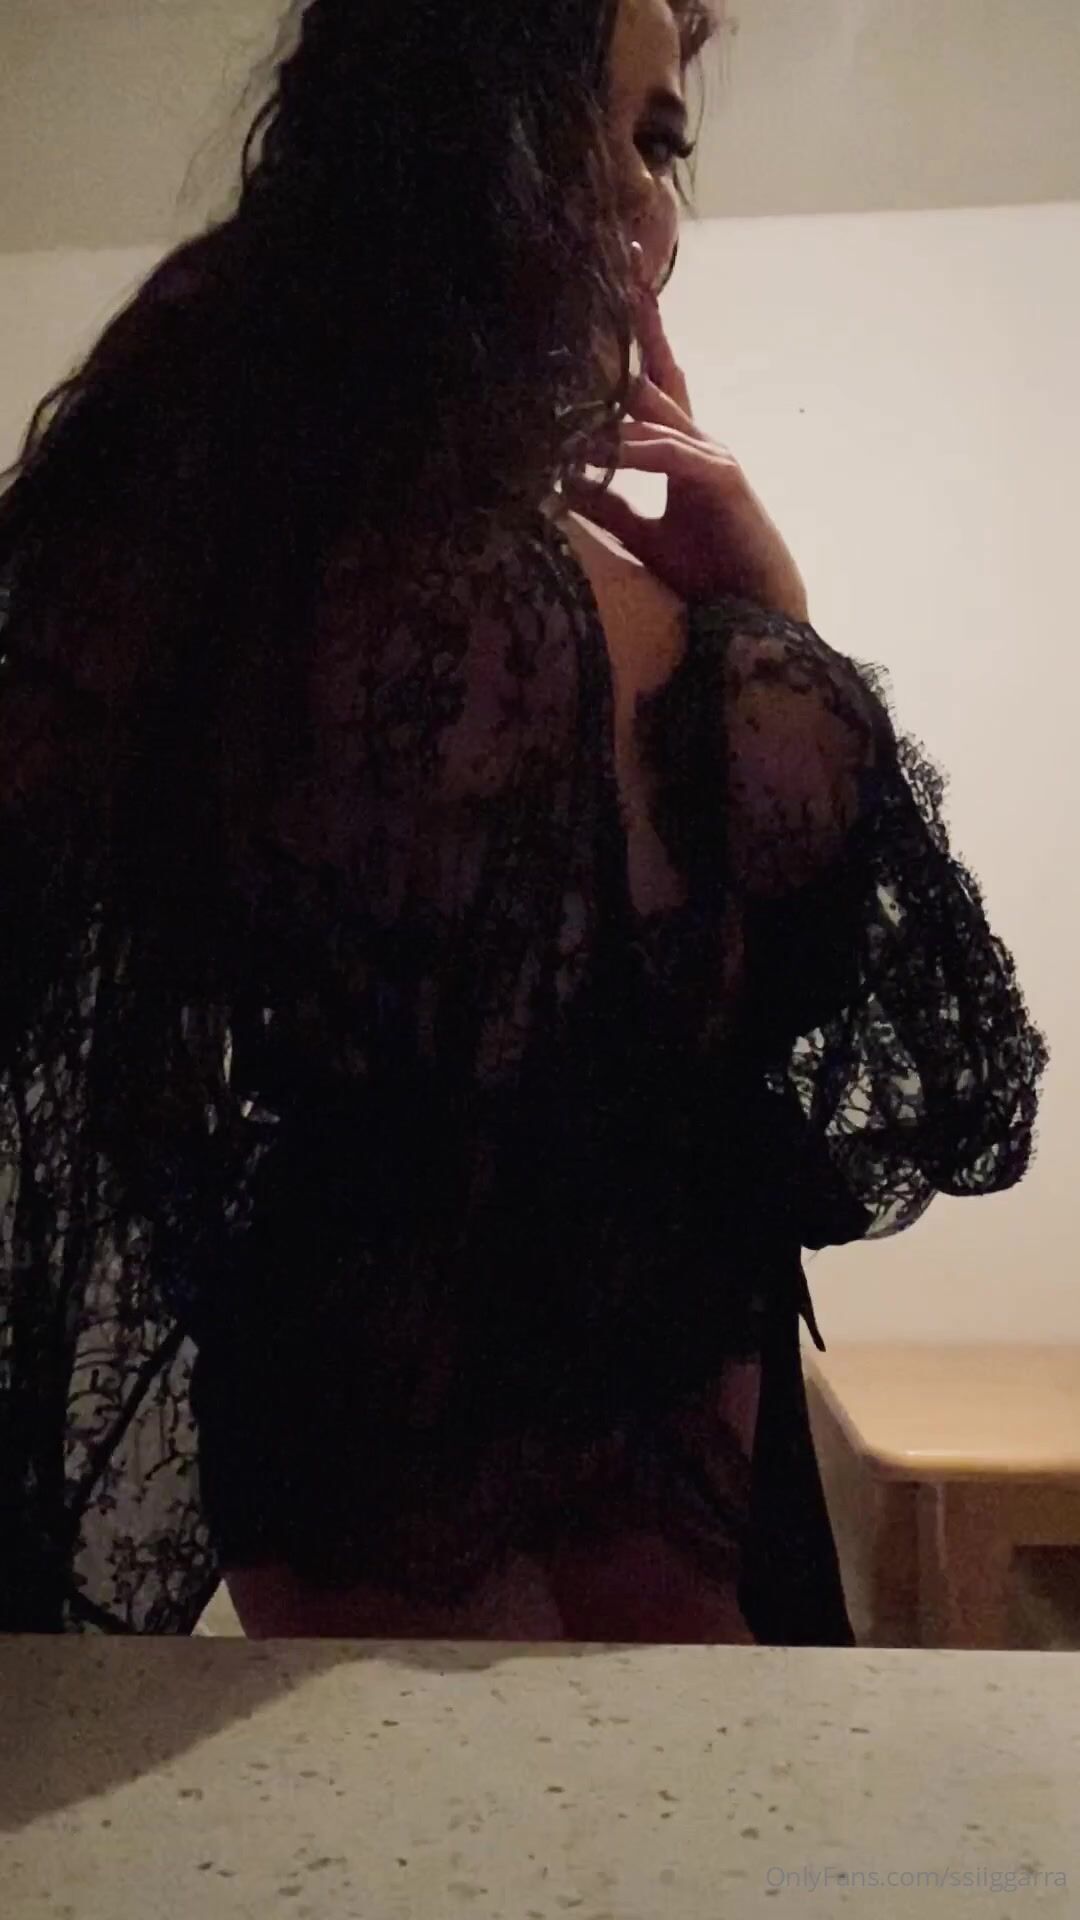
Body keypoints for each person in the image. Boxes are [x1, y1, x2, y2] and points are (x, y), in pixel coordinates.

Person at [0, 0, 1045, 1641]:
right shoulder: (240, 474)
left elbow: (820, 1014)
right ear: (442, 136)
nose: (640, 200)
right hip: (388, 1437)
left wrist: (767, 612)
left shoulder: (622, 556)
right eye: (594, 124)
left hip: (693, 1425)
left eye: (663, 141)